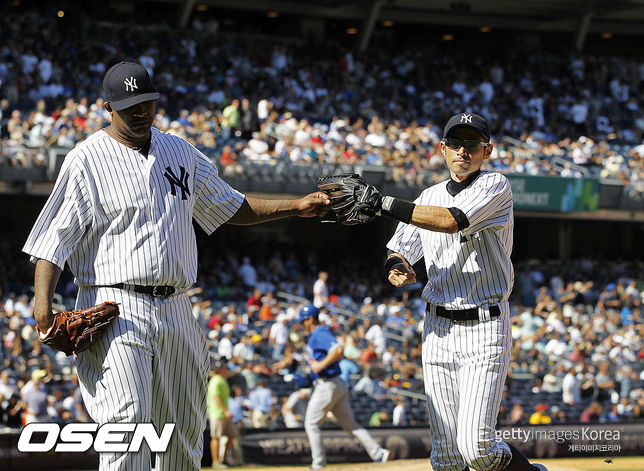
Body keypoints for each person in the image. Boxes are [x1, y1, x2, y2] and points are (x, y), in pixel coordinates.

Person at [22, 61, 330, 471]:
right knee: (128, 432)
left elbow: (231, 205)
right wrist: (43, 310)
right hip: (114, 306)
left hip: (178, 306)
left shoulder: (180, 151)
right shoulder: (86, 160)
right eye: (130, 105)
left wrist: (294, 206)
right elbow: (51, 240)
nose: (140, 112)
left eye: (146, 103)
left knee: (183, 438)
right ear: (107, 107)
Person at [383, 113, 546, 471]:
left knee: (477, 448)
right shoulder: (428, 195)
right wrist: (397, 265)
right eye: (455, 143)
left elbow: (450, 220)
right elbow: (400, 247)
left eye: (471, 144)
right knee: (447, 457)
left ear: (486, 151)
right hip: (438, 329)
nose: (462, 150)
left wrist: (383, 202)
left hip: (484, 325)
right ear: (442, 149)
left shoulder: (495, 186)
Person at [299, 305, 390, 469]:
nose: (302, 324)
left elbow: (337, 349)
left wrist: (320, 365)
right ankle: (379, 453)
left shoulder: (319, 332)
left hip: (328, 384)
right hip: (336, 384)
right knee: (352, 426)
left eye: (303, 320)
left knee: (311, 424)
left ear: (310, 319)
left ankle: (318, 463)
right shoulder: (318, 333)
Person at [207, 361, 241, 469]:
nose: (226, 370)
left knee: (233, 434)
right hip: (217, 414)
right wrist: (225, 411)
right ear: (220, 370)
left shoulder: (223, 380)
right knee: (216, 437)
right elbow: (215, 397)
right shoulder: (216, 381)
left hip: (224, 414)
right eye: (224, 368)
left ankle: (224, 459)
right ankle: (215, 462)